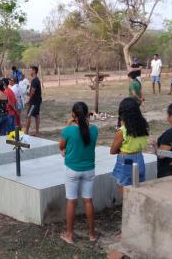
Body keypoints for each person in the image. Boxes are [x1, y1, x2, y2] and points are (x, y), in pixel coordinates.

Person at [59, 102, 99, 244]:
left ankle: (69, 235)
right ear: (88, 114)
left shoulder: (68, 130)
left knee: (71, 201)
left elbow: (61, 146)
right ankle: (92, 234)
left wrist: (70, 123)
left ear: (73, 115)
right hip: (89, 169)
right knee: (88, 201)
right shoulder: (94, 129)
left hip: (72, 169)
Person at [110, 97, 149, 195]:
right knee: (139, 185)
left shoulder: (122, 130)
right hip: (139, 158)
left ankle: (128, 208)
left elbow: (112, 151)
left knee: (123, 185)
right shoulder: (143, 126)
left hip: (125, 160)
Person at [25, 66, 42, 136]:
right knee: (36, 115)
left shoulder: (35, 80)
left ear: (34, 71)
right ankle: (37, 132)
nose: (30, 71)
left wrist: (29, 100)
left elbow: (33, 92)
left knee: (28, 115)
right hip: (37, 101)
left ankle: (26, 132)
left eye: (31, 70)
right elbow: (32, 92)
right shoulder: (35, 80)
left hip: (34, 102)